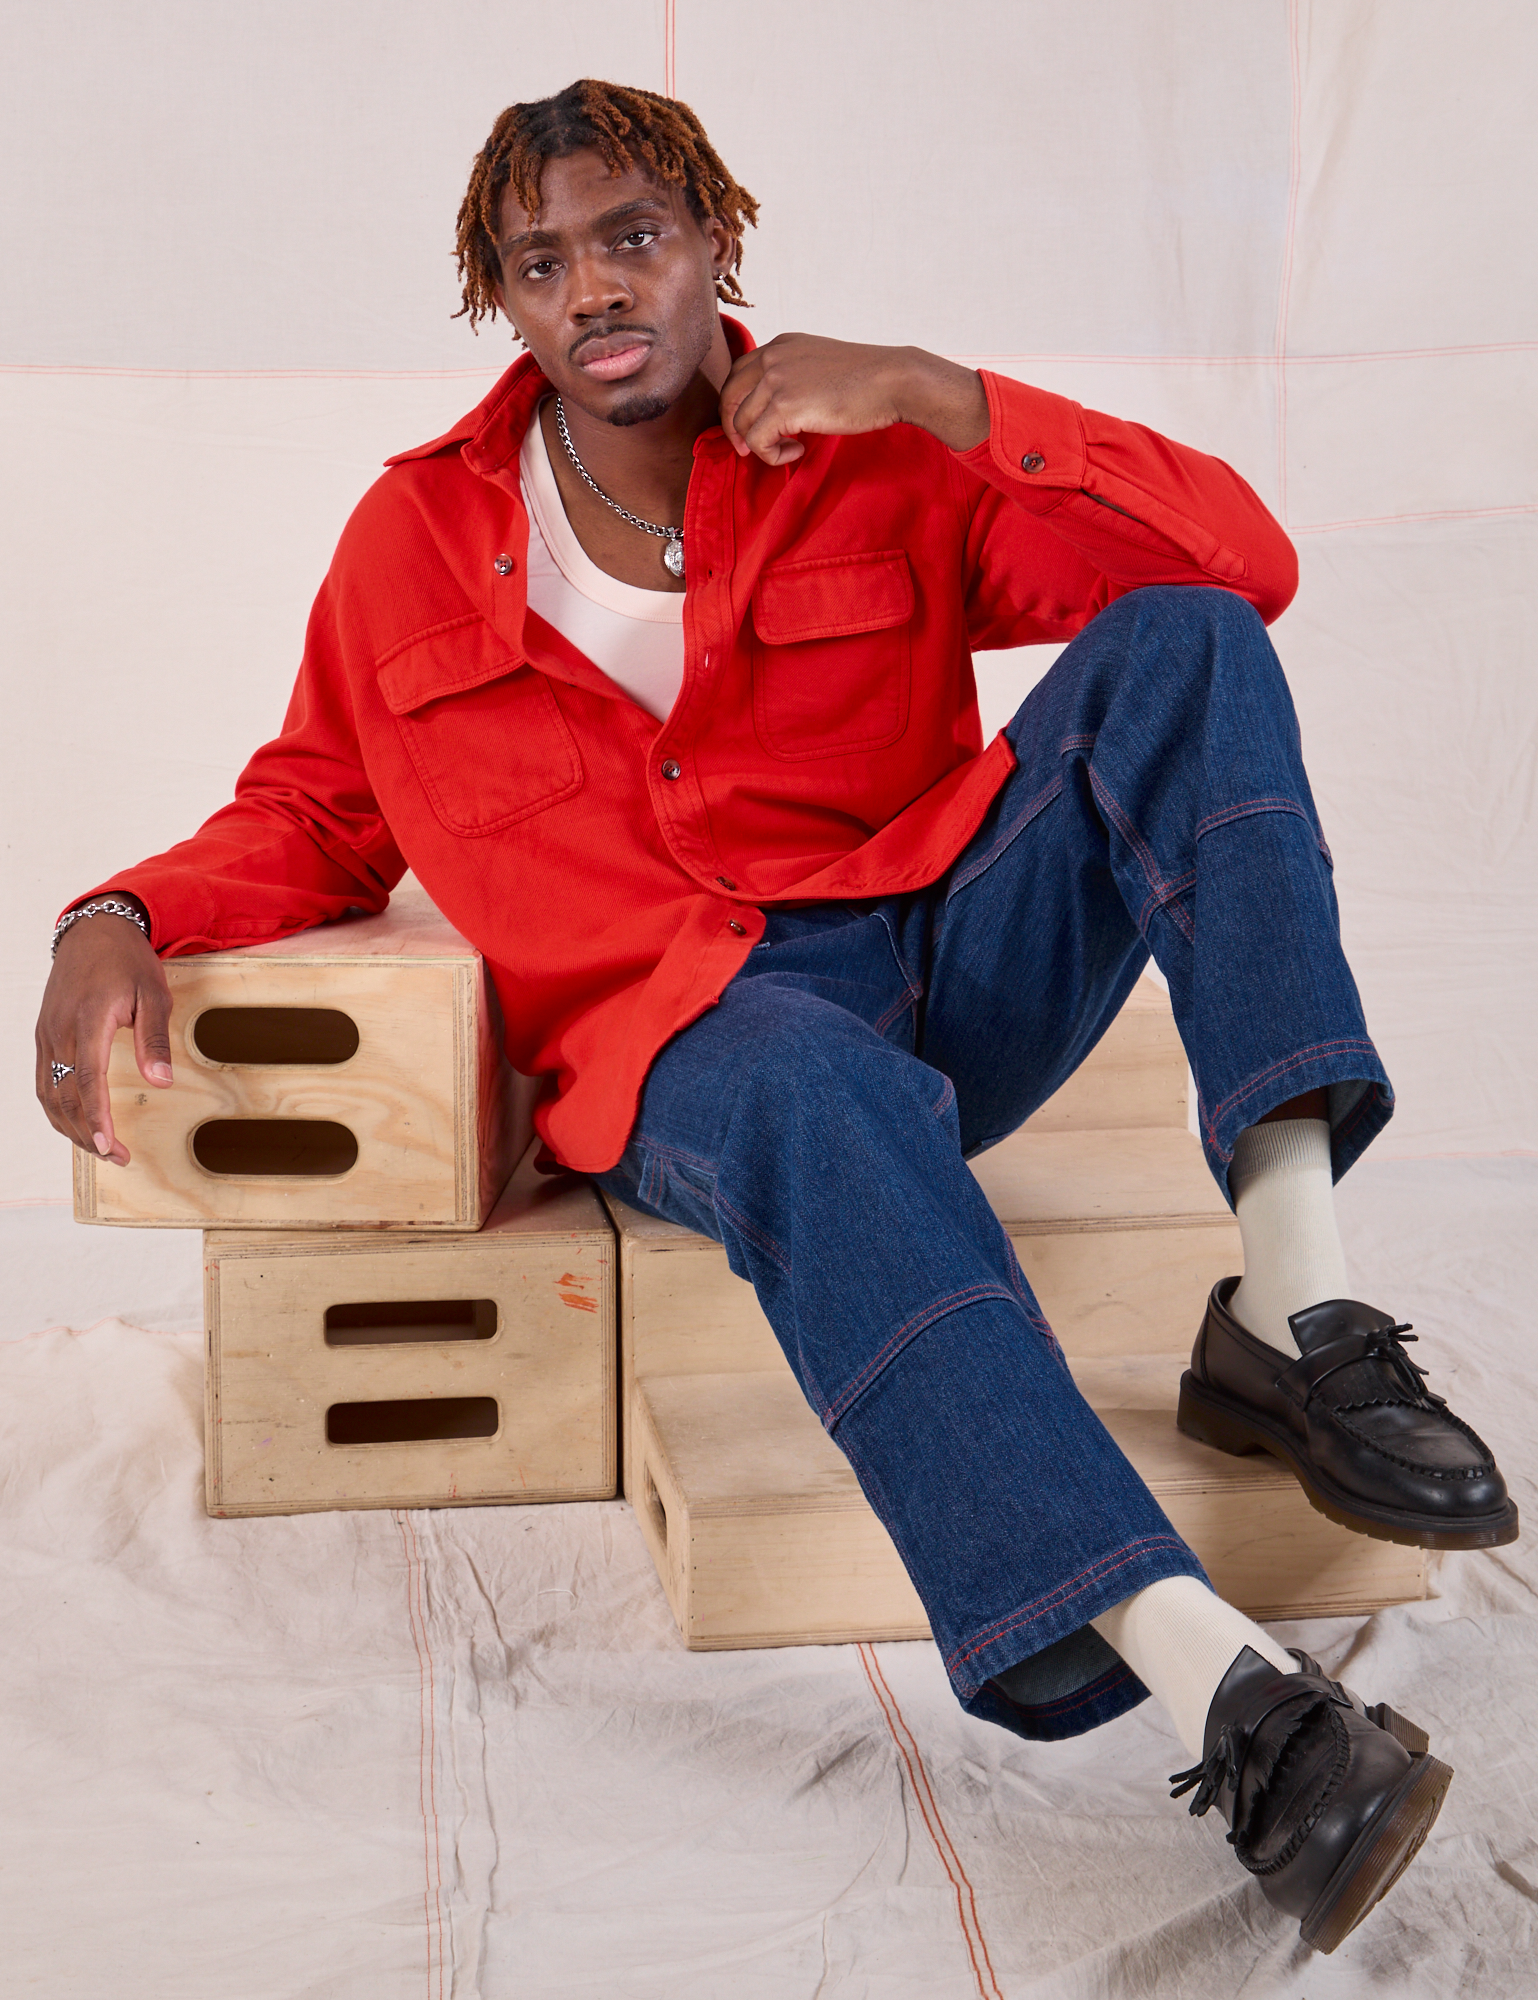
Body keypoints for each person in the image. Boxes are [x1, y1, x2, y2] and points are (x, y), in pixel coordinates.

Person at [36, 79, 1516, 1952]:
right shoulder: (409, 538)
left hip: (941, 961)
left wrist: (941, 394)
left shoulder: (864, 451)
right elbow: (313, 808)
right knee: (815, 1091)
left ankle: (1297, 1310)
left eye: (631, 236)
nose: (592, 287)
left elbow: (1246, 569)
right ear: (499, 298)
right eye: (539, 260)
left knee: (1186, 643)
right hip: (692, 1042)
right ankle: (1233, 1703)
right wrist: (115, 910)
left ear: (719, 238)